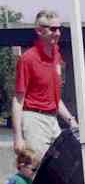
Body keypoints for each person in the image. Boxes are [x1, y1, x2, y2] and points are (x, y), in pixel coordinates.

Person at [12, 10, 77, 159]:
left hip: (53, 120)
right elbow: (18, 100)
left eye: (60, 28)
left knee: (64, 165)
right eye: (53, 29)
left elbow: (56, 98)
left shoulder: (57, 57)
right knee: (38, 169)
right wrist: (18, 137)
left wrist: (71, 120)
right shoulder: (27, 59)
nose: (58, 33)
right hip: (34, 119)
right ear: (39, 31)